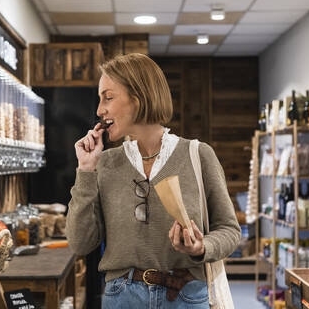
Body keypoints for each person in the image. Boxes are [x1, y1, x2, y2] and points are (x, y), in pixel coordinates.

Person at [66, 53, 241, 309]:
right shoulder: (104, 163)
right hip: (122, 298)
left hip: (187, 297)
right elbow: (80, 242)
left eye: (108, 97)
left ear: (138, 98)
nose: (99, 110)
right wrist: (85, 170)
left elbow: (229, 230)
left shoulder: (198, 155)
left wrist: (202, 246)